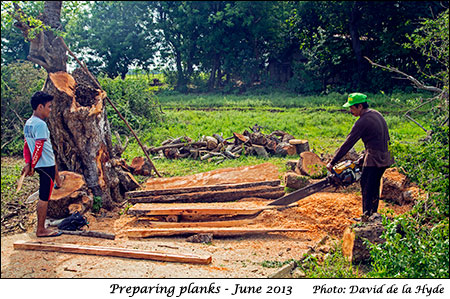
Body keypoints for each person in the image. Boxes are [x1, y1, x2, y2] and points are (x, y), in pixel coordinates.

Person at [326, 92, 394, 219]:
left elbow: (348, 144)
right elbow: (378, 139)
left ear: (360, 106)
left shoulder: (362, 121)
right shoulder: (376, 114)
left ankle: (367, 216)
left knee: (367, 185)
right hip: (385, 156)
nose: (350, 110)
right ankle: (372, 214)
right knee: (373, 184)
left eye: (352, 107)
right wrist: (363, 157)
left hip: (375, 158)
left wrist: (332, 162)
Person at [22, 91, 63, 237]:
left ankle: (59, 182)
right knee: (44, 196)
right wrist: (32, 165)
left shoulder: (29, 123)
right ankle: (41, 229)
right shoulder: (40, 125)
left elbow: (27, 146)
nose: (50, 110)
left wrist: (28, 162)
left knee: (52, 158)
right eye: (49, 106)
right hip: (44, 165)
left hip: (47, 162)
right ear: (40, 107)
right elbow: (38, 147)